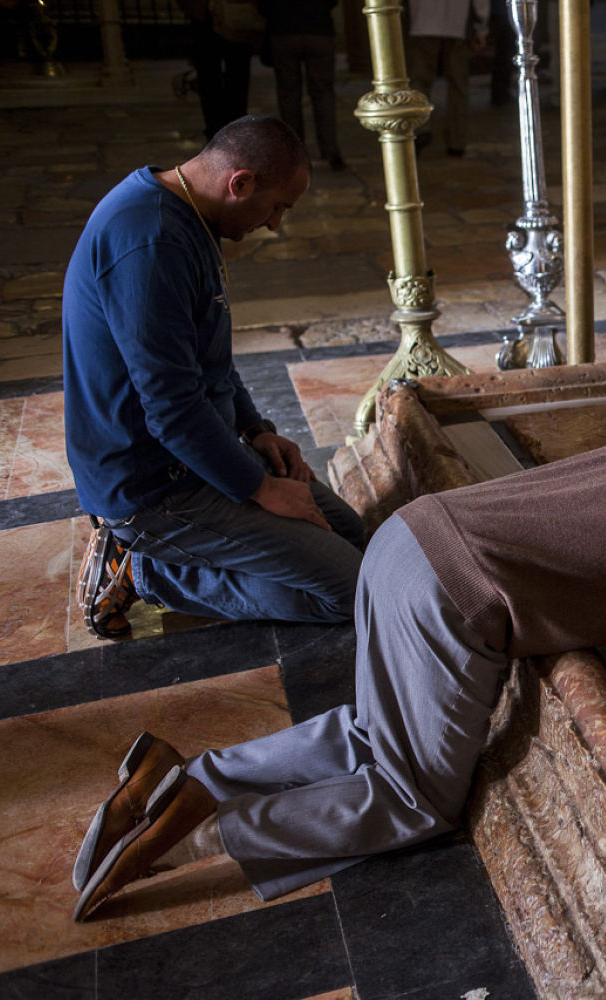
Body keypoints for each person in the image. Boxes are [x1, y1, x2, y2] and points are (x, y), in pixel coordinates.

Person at [69, 421, 606, 920]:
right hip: (455, 597)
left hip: (408, 544)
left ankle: (194, 779)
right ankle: (190, 840)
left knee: (371, 732)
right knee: (414, 798)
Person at [62, 115, 367, 641]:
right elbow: (172, 410)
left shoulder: (192, 212)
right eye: (276, 207)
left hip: (199, 456)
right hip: (153, 489)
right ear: (240, 182)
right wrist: (259, 488)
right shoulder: (151, 241)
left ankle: (196, 550)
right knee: (354, 590)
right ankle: (142, 568)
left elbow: (210, 359)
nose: (274, 225)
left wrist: (257, 430)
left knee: (351, 533)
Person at [260, 0, 347, 172]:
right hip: (319, 28)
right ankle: (331, 151)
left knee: (288, 94)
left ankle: (295, 154)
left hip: (284, 29)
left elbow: (263, 6)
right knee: (323, 93)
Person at [406, 0, 490, 156]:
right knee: (458, 85)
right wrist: (481, 28)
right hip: (457, 23)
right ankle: (456, 140)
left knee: (419, 81)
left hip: (422, 22)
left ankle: (420, 128)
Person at [177, 0, 254, 140]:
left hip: (232, 16)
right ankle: (219, 129)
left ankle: (233, 127)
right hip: (206, 17)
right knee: (212, 78)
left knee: (235, 76)